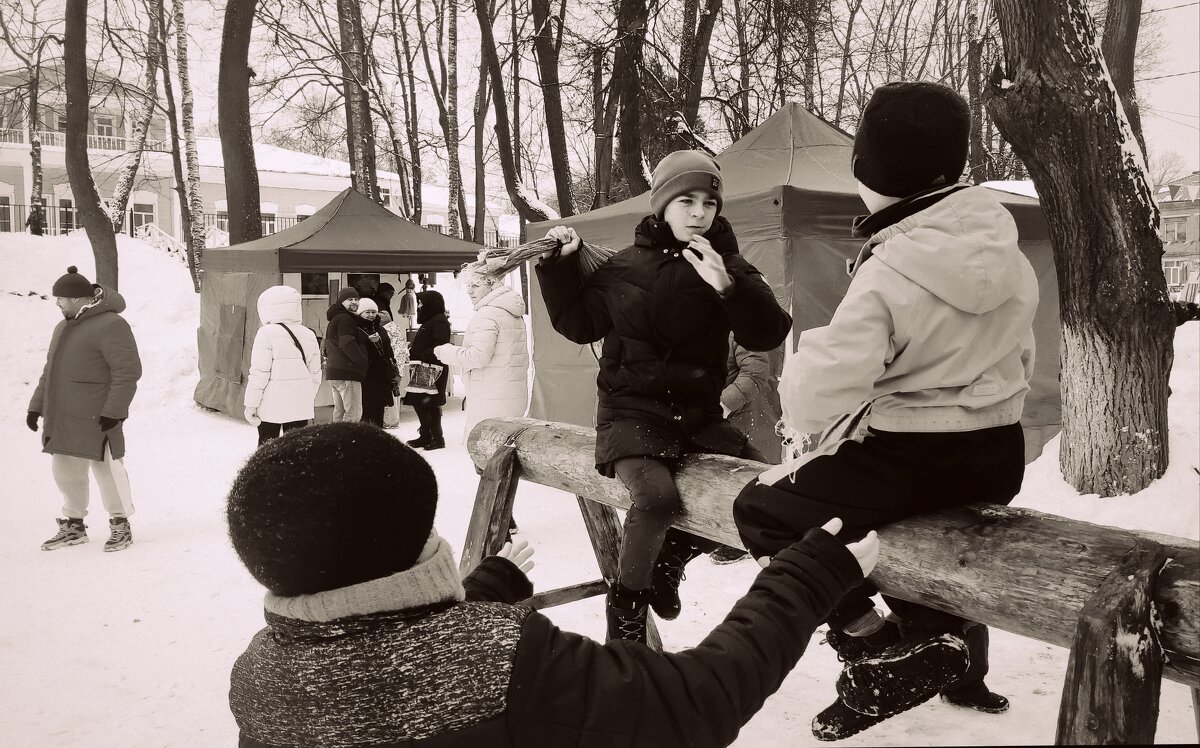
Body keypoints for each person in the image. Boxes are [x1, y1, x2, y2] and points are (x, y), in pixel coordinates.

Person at [226, 422, 880, 748]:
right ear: (413, 554)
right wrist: (808, 573)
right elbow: (694, 703)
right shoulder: (503, 662)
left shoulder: (258, 676)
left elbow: (385, 667)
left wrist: (486, 589)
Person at [732, 81, 1037, 741]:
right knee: (897, 529)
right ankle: (930, 642)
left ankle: (872, 646)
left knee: (760, 510)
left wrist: (802, 420)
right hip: (998, 451)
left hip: (913, 451)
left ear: (867, 170)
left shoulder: (891, 265)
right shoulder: (1004, 251)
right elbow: (1024, 353)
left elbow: (822, 389)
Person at [537, 149, 793, 643]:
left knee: (763, 493)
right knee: (656, 498)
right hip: (630, 410)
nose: (699, 213)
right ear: (661, 205)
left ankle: (671, 557)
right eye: (686, 201)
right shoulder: (624, 267)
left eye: (708, 203)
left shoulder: (730, 264)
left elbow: (769, 333)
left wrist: (727, 285)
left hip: (695, 417)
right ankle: (627, 614)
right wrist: (560, 269)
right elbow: (577, 323)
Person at [28, 266, 142, 552]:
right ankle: (74, 526)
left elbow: (127, 371)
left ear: (79, 299)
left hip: (99, 415)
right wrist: (36, 406)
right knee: (65, 471)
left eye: (61, 299)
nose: (57, 303)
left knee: (108, 471)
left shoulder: (112, 324)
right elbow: (50, 371)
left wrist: (114, 411)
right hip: (64, 417)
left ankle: (120, 525)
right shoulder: (62, 326)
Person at [709, 335, 784, 565]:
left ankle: (748, 539)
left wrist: (723, 404)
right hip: (720, 419)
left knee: (754, 478)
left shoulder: (740, 326)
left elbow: (754, 372)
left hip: (748, 413)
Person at [433, 269, 529, 443]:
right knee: (506, 455)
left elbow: (477, 357)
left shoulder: (488, 314)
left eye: (475, 285)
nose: (469, 291)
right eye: (468, 286)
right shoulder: (511, 312)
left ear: (492, 284)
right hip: (510, 396)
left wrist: (445, 351)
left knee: (486, 454)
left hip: (490, 399)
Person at [244, 285, 322, 445]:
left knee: (268, 450)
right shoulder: (308, 333)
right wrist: (306, 397)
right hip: (300, 404)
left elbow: (259, 373)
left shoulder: (266, 333)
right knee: (296, 451)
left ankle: (266, 471)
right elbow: (315, 373)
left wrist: (251, 405)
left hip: (270, 404)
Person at [401, 290, 452, 450]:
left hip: (431, 369)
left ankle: (437, 438)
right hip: (424, 367)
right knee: (421, 403)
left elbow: (440, 346)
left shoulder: (438, 321)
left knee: (428, 404)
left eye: (421, 303)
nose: (420, 306)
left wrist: (421, 354)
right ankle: (426, 435)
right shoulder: (433, 320)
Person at [323, 287, 368, 422]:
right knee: (353, 415)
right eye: (350, 299)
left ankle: (337, 442)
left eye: (356, 299)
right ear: (341, 301)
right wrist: (361, 360)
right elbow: (346, 343)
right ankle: (350, 442)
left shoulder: (335, 318)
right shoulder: (345, 318)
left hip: (335, 372)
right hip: (348, 373)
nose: (354, 302)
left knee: (339, 412)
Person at [354, 298, 400, 427]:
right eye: (367, 312)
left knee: (379, 408)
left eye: (374, 312)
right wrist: (368, 341)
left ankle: (378, 435)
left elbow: (388, 350)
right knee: (365, 409)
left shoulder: (380, 329)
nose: (371, 315)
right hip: (365, 375)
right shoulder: (355, 329)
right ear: (360, 313)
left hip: (381, 375)